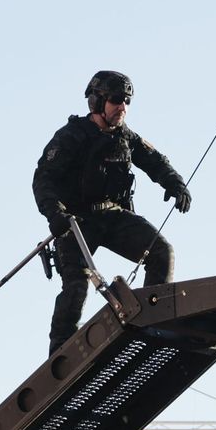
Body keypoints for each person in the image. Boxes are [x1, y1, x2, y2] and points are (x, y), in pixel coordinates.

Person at [33, 70, 192, 353]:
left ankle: (154, 321)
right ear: (97, 102)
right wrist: (55, 214)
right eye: (117, 100)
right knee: (76, 287)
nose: (123, 107)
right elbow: (43, 178)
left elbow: (155, 161)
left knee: (161, 253)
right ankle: (61, 354)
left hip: (114, 216)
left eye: (127, 101)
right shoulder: (72, 136)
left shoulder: (125, 137)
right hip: (75, 222)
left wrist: (176, 184)